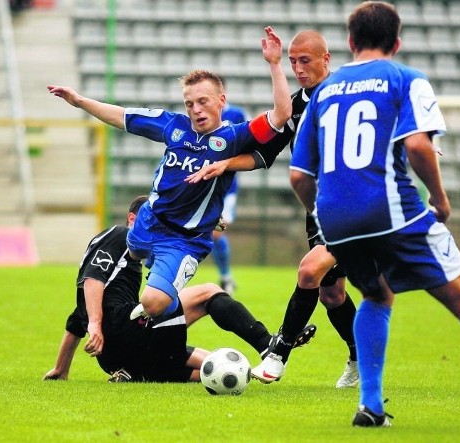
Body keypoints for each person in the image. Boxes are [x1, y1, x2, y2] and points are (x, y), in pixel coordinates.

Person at [289, 1, 460, 432]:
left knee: (376, 296)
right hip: (393, 211)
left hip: (338, 222)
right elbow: (418, 146)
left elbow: (299, 175)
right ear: (396, 42)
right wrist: (439, 199)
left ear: (349, 42)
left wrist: (325, 217)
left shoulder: (325, 91)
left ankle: (370, 406)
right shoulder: (405, 78)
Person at [47, 26, 291, 325]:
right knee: (134, 252)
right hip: (149, 220)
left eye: (203, 101)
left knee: (153, 304)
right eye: (190, 103)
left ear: (221, 101)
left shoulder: (234, 137)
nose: (196, 109)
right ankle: (154, 285)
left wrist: (275, 64)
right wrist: (80, 101)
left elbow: (281, 114)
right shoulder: (173, 125)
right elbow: (122, 116)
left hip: (182, 238)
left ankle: (167, 302)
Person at [186, 30, 358, 388]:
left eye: (304, 60)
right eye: (292, 62)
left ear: (326, 59)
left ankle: (277, 353)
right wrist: (225, 164)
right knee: (332, 294)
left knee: (309, 272)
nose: (298, 68)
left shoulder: (349, 93)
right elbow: (265, 154)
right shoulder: (295, 105)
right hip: (319, 209)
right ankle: (360, 358)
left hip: (356, 204)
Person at [43, 196, 315, 383]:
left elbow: (74, 321)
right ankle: (267, 344)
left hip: (119, 357)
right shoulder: (119, 235)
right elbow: (93, 279)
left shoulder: (127, 262)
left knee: (216, 368)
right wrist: (95, 324)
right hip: (124, 331)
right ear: (131, 219)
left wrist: (61, 368)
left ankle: (136, 374)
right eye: (150, 220)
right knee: (207, 292)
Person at [214, 78, 249, 295]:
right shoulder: (199, 116)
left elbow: (249, 141)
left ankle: (226, 278)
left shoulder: (235, 115)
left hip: (227, 188)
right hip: (203, 187)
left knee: (217, 233)